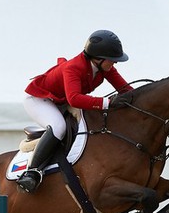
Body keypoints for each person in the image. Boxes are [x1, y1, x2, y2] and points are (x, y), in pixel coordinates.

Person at [17, 29, 133, 193]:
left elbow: (126, 90)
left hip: (61, 101)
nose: (115, 63)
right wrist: (108, 102)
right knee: (59, 127)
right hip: (39, 100)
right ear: (98, 59)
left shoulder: (104, 68)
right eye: (112, 60)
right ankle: (32, 172)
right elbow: (75, 99)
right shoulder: (74, 67)